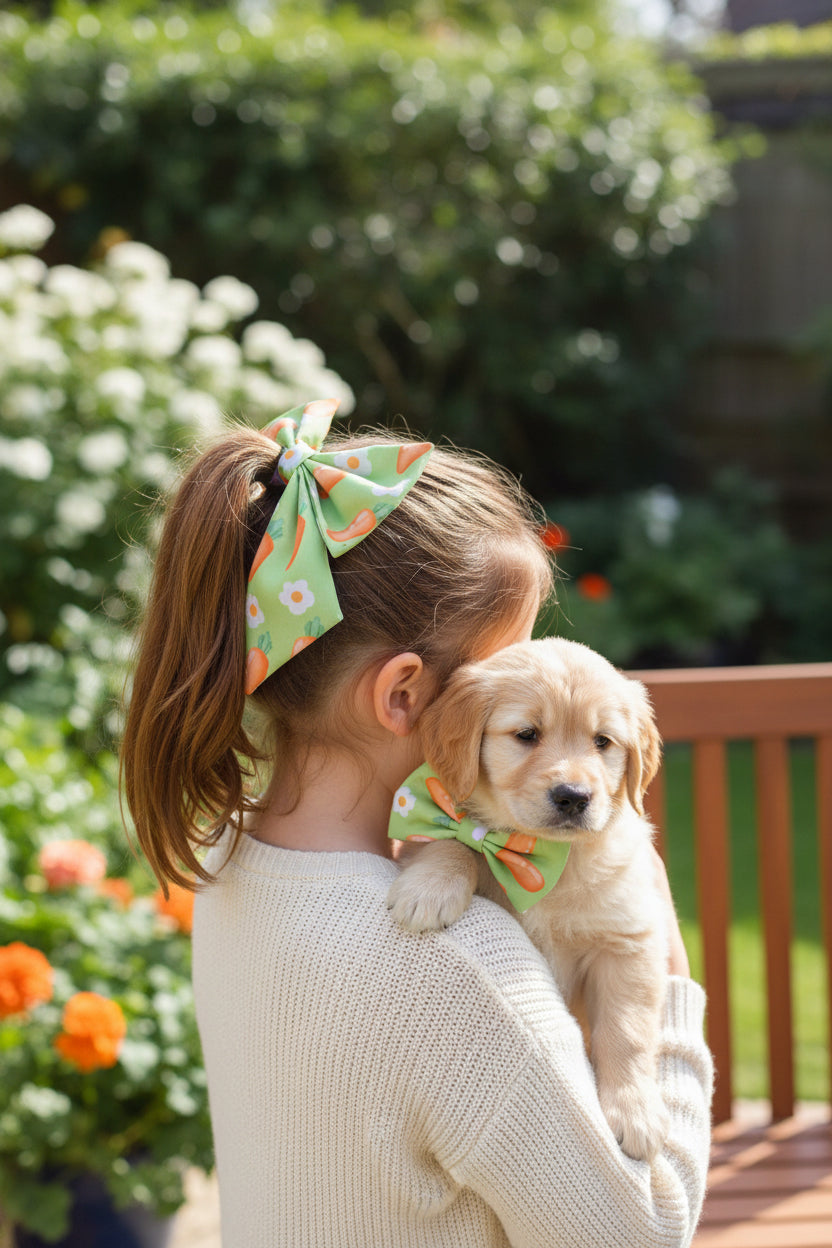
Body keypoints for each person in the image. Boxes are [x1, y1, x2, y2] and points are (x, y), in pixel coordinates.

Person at [122, 400, 713, 1248]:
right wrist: (672, 983)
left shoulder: (235, 863)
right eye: (498, 671)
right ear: (406, 696)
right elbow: (643, 1231)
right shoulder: (458, 966)